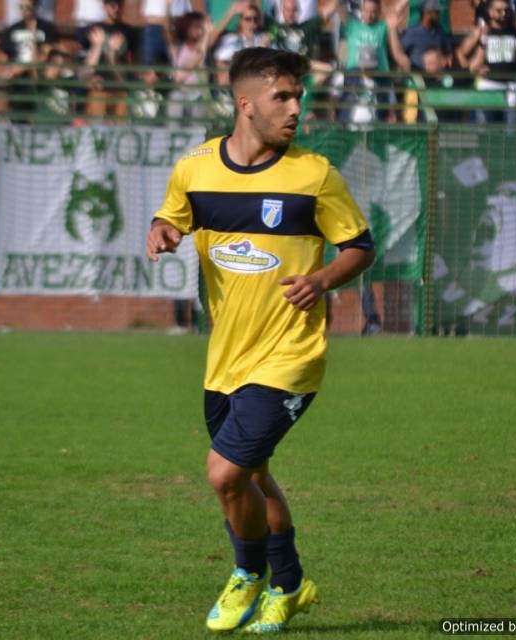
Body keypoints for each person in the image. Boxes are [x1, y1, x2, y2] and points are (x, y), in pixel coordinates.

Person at [145, 47, 376, 634]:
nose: (297, 108)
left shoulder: (314, 175)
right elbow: (170, 214)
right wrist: (163, 230)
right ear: (245, 104)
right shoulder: (195, 168)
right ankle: (292, 585)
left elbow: (359, 246)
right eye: (283, 97)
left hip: (291, 356)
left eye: (299, 96)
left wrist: (322, 279)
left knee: (225, 473)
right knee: (252, 476)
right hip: (225, 360)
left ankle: (247, 574)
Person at [457, 0, 516, 123]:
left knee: (511, 131)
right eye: (499, 11)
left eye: (506, 10)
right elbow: (460, 53)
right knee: (485, 131)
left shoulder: (515, 32)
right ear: (490, 12)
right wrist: (470, 71)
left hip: (510, 87)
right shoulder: (481, 31)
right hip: (487, 86)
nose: (504, 14)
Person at [0, 0, 58, 120]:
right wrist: (7, 71)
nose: (24, 11)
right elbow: (4, 56)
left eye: (27, 7)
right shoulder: (12, 29)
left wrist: (23, 67)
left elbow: (46, 55)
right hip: (18, 82)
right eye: (22, 7)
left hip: (40, 80)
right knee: (17, 117)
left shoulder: (47, 28)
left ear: (36, 6)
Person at [337, 0, 392, 124]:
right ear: (361, 10)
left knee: (379, 113)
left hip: (379, 74)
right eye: (366, 11)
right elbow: (338, 7)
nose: (369, 15)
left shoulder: (383, 26)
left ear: (378, 12)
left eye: (373, 12)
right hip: (354, 74)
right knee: (349, 109)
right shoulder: (352, 25)